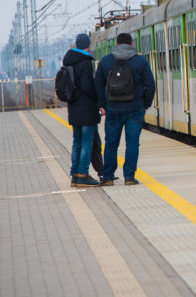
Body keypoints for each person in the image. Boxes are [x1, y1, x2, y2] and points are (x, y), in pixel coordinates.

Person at [94, 32, 155, 186]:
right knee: (133, 142)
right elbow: (150, 84)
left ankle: (107, 176)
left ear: (116, 45)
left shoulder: (106, 61)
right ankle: (129, 177)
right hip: (135, 109)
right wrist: (145, 103)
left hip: (113, 108)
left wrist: (103, 104)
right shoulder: (140, 61)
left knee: (111, 143)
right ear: (132, 45)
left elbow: (98, 84)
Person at [63, 33, 101, 187]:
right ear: (88, 45)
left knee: (77, 142)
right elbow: (87, 87)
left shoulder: (68, 62)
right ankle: (83, 174)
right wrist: (98, 98)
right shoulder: (85, 63)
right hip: (86, 109)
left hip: (74, 109)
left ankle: (75, 174)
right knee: (87, 142)